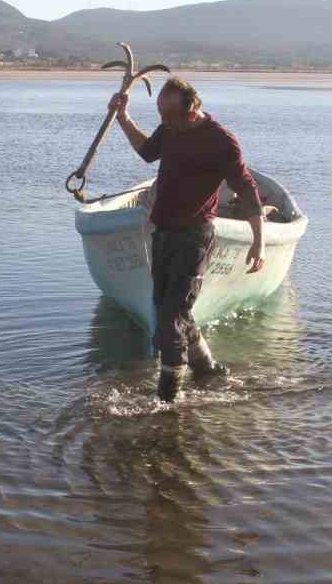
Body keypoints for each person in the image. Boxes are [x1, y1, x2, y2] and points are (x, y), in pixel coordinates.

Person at [109, 76, 265, 402]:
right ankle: (207, 369)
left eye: (169, 116)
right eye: (161, 115)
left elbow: (247, 191)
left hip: (194, 236)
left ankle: (167, 401)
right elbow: (148, 152)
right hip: (163, 233)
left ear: (192, 109)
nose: (164, 123)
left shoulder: (221, 141)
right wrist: (123, 118)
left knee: (169, 318)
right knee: (172, 310)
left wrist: (258, 241)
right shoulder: (171, 128)